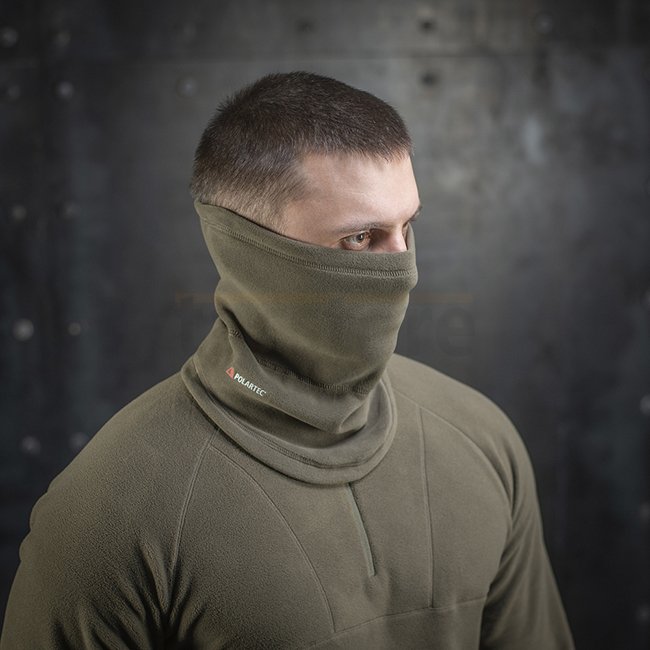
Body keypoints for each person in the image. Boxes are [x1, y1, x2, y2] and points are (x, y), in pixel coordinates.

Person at [1, 71, 574, 649]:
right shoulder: (107, 513)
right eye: (360, 238)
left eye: (408, 227)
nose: (402, 268)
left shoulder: (481, 439)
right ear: (245, 248)